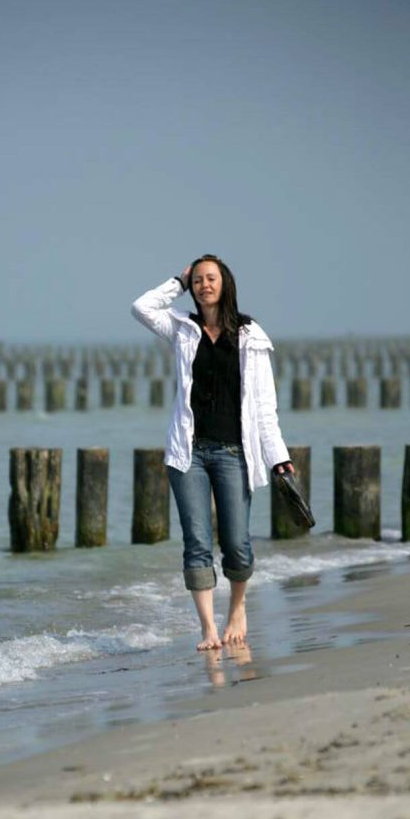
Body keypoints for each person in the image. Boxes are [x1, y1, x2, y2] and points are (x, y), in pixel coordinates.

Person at [131, 254, 294, 651]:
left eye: (211, 278)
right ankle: (207, 628)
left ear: (226, 284)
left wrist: (278, 456)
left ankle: (237, 609)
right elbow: (141, 308)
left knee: (237, 542)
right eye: (199, 279)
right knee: (197, 542)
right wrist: (177, 281)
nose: (205, 284)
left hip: (234, 453)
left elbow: (263, 408)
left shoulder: (251, 335)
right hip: (188, 454)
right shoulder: (183, 329)